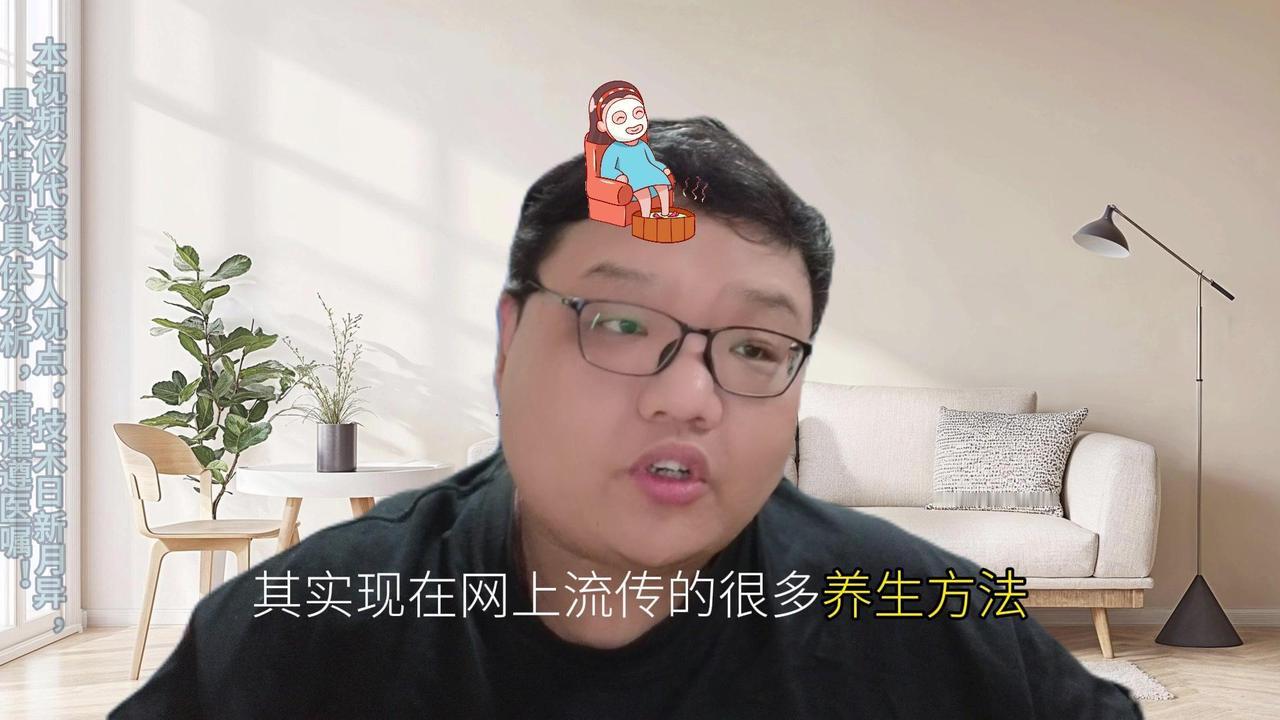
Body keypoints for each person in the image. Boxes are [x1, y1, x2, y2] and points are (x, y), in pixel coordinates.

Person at [110, 116, 1144, 719]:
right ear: (509, 343)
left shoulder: (921, 623)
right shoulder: (301, 636)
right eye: (618, 322)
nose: (688, 395)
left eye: (753, 348)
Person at [589, 80, 678, 219]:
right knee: (644, 193)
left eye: (638, 113)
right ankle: (645, 217)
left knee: (663, 186)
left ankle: (665, 213)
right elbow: (607, 169)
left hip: (649, 173)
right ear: (602, 126)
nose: (632, 123)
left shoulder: (642, 145)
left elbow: (652, 161)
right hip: (632, 178)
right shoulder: (613, 150)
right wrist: (618, 176)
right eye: (620, 118)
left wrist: (663, 168)